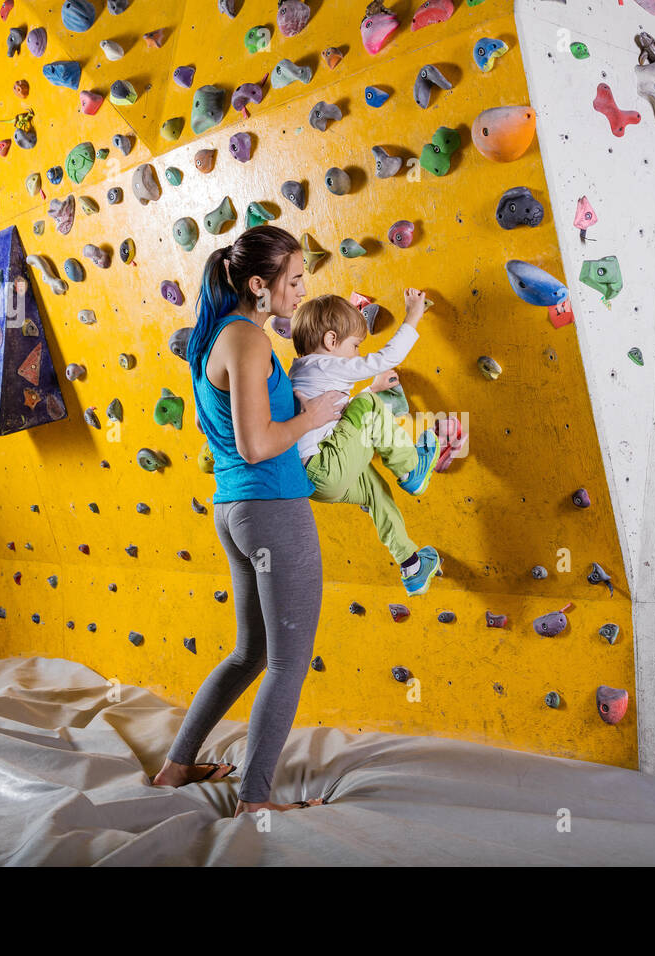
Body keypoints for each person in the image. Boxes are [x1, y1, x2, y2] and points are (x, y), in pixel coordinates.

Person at [151, 225, 348, 817]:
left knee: (250, 653)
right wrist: (312, 415)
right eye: (292, 281)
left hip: (236, 509)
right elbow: (257, 443)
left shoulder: (219, 336)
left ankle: (176, 766)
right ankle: (255, 802)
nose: (299, 291)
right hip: (270, 510)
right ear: (258, 285)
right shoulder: (247, 341)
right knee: (288, 661)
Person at [287, 291, 443, 595]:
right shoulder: (323, 363)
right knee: (370, 405)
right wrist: (413, 314)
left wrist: (370, 388)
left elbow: (338, 417)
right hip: (325, 466)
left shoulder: (305, 373)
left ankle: (412, 565)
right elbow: (387, 358)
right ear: (331, 341)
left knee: (375, 491)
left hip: (314, 482)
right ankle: (411, 468)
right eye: (355, 346)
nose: (358, 355)